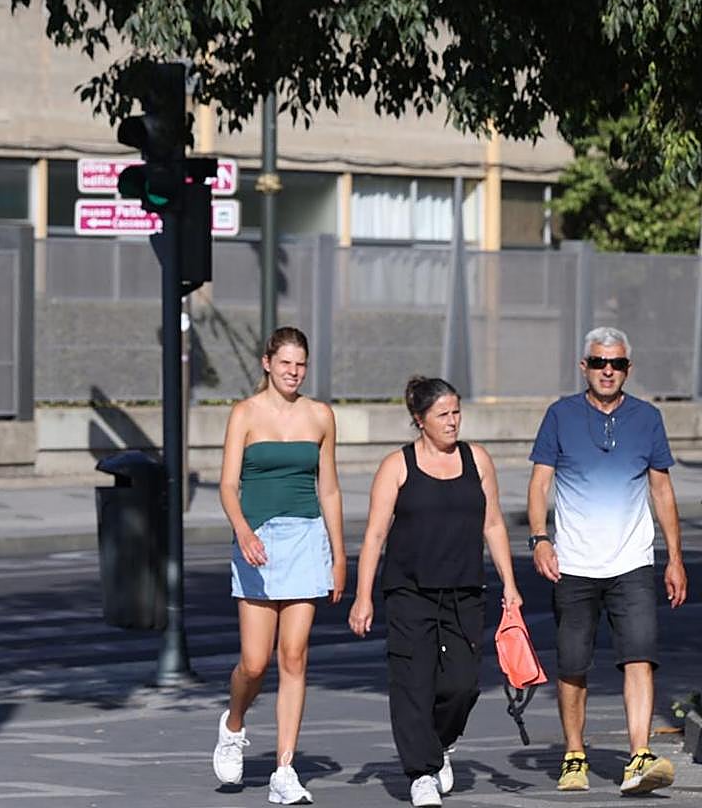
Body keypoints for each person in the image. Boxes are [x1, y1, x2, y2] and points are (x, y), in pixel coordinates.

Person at [527, 326, 688, 795]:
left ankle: (639, 755)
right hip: (574, 565)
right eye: (599, 362)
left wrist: (674, 558)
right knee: (573, 665)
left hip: (632, 564)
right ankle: (574, 754)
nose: (607, 371)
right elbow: (539, 484)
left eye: (616, 363)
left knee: (640, 658)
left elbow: (662, 490)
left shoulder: (647, 418)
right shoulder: (560, 415)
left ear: (627, 369)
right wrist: (540, 539)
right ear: (585, 367)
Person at [348, 376, 522, 808]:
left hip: (465, 590)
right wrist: (363, 596)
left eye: (456, 412)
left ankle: (439, 743)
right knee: (413, 684)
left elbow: (493, 524)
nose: (452, 421)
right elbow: (374, 535)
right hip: (409, 592)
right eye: (442, 414)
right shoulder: (397, 466)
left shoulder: (477, 460)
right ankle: (422, 773)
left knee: (461, 686)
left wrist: (510, 584)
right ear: (419, 419)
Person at [211, 326, 347, 805]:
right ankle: (233, 725)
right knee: (255, 662)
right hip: (259, 541)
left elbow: (329, 489)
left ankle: (284, 769)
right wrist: (244, 531)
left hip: (306, 537)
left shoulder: (320, 415)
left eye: (301, 364)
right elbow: (228, 485)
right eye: (286, 363)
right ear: (267, 363)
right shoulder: (245, 413)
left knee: (294, 655)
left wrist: (338, 555)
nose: (294, 372)